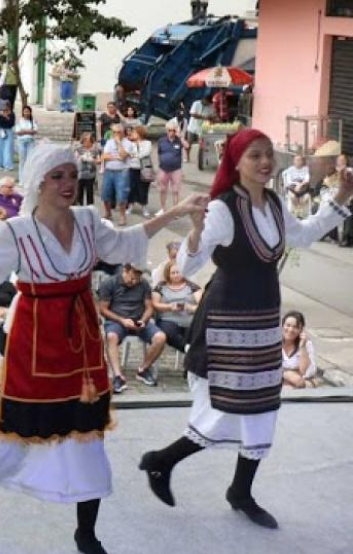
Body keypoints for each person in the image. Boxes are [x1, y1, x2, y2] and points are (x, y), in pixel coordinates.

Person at [0, 142, 203, 554]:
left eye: (72, 175)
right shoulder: (16, 231)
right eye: (58, 177)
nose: (68, 184)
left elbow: (128, 242)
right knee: (6, 442)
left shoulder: (88, 220)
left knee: (88, 440)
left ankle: (86, 533)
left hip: (81, 342)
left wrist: (175, 212)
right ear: (38, 183)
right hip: (34, 344)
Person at [138, 129, 352, 530]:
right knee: (222, 407)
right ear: (236, 163)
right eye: (255, 155)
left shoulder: (272, 202)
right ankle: (162, 461)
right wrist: (197, 232)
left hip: (262, 319)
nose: (265, 162)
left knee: (263, 407)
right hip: (226, 322)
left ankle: (240, 490)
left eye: (269, 154)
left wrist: (339, 200)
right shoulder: (222, 209)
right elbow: (185, 269)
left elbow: (301, 236)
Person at [98, 264, 168, 391]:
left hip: (139, 321)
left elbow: (149, 308)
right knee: (111, 337)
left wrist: (143, 320)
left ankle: (143, 369)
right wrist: (121, 320)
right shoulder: (109, 283)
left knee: (161, 337)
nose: (134, 282)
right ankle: (118, 376)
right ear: (125, 271)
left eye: (137, 279)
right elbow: (103, 309)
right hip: (117, 321)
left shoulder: (144, 284)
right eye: (131, 278)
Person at [278, 311, 317, 389]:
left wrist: (302, 346)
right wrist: (287, 374)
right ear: (282, 326)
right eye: (288, 325)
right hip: (280, 380)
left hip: (300, 382)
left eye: (295, 327)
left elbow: (305, 372)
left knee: (300, 382)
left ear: (301, 330)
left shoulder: (306, 344)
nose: (291, 330)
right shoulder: (276, 342)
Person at [13, 106, 38, 182]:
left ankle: (29, 179)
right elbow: (18, 132)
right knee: (22, 160)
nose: (26, 113)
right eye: (25, 111)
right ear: (23, 112)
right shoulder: (20, 121)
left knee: (30, 160)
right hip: (21, 142)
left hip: (30, 142)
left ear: (30, 112)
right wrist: (28, 131)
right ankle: (22, 179)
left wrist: (24, 131)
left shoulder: (33, 121)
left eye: (28, 111)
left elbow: (35, 131)